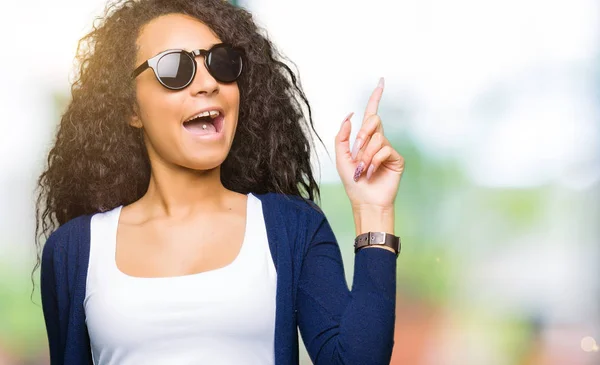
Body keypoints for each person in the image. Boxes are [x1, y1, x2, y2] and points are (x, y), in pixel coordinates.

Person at [34, 0, 406, 364]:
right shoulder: (73, 251)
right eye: (175, 68)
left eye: (220, 63)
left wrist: (374, 209)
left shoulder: (294, 228)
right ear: (131, 108)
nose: (209, 82)